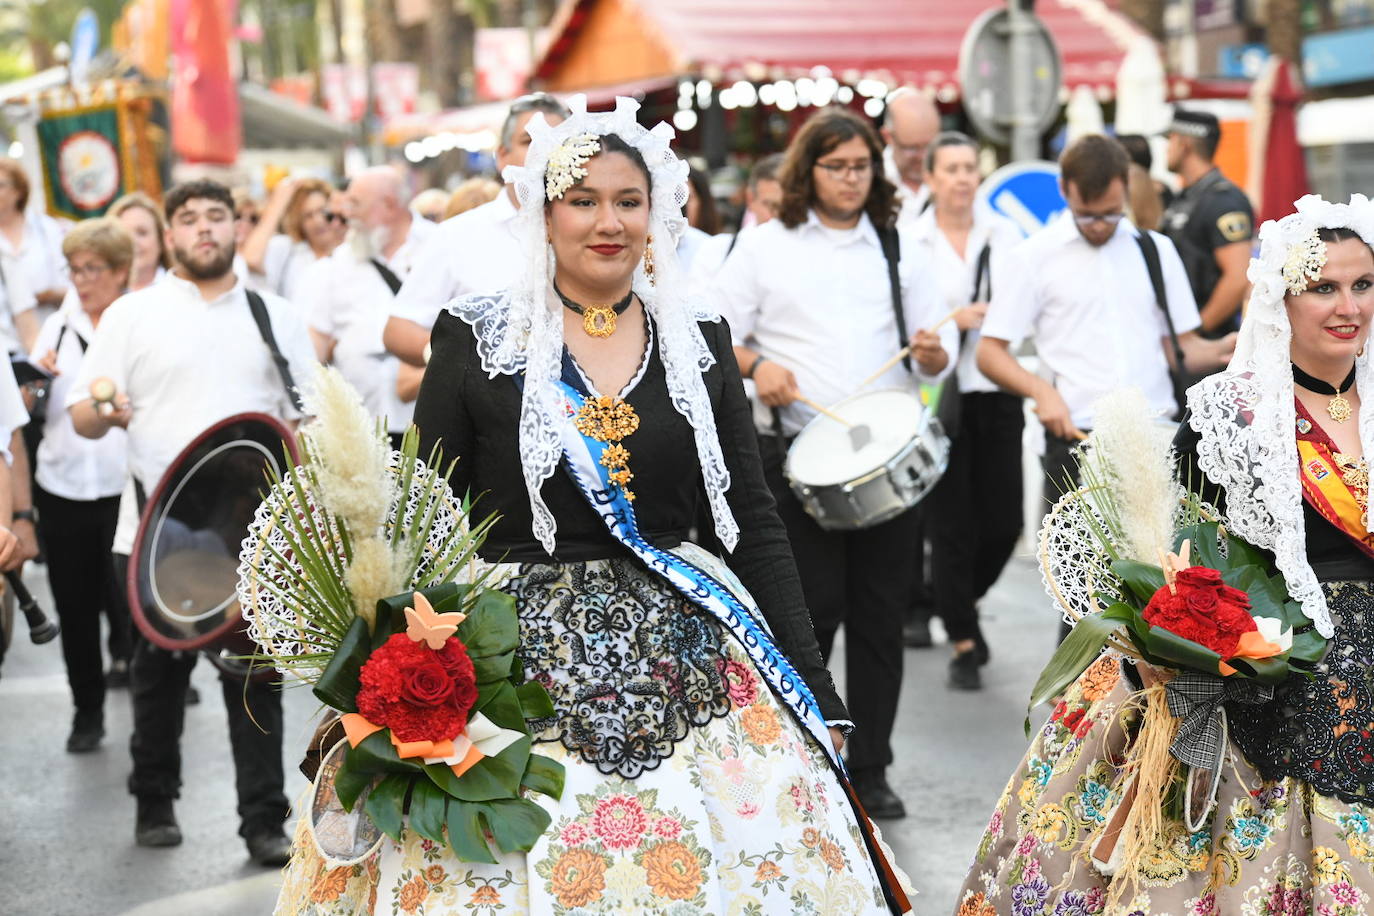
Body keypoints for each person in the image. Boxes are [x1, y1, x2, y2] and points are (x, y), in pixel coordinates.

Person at [275, 94, 913, 916]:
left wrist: (819, 694)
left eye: (628, 201)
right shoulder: (475, 340)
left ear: (657, 213)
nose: (607, 222)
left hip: (689, 644)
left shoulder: (699, 340)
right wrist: (397, 679)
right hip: (506, 660)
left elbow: (752, 522)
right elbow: (422, 522)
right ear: (542, 214)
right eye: (582, 201)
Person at [955, 193, 1374, 912]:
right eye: (1323, 287)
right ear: (1280, 297)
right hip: (1266, 679)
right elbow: (1162, 553)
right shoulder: (1228, 414)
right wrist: (1190, 647)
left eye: (1364, 284)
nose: (1349, 307)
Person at [713, 106, 956, 819]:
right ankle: (812, 755)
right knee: (810, 615)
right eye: (836, 166)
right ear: (806, 168)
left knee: (882, 619)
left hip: (882, 460)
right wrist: (758, 365)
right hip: (796, 458)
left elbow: (936, 346)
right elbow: (710, 330)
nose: (851, 179)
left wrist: (938, 355)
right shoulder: (766, 246)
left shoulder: (900, 242)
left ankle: (873, 768)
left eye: (861, 166)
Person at [67, 179, 317, 864]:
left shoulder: (275, 316)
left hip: (255, 538)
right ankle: (154, 800)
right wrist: (103, 410)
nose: (203, 228)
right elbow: (83, 417)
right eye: (188, 219)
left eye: (216, 216)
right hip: (154, 532)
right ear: (170, 235)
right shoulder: (131, 315)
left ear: (236, 227)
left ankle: (263, 821)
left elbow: (314, 417)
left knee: (254, 683)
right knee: (157, 677)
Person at [977, 135, 1233, 519]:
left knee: (1162, 574)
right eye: (1086, 214)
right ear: (1064, 190)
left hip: (1155, 436)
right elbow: (989, 352)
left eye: (1111, 213)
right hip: (1076, 440)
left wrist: (1230, 348)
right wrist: (1041, 392)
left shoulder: (1155, 249)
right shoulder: (1033, 257)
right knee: (1078, 575)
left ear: (1126, 188)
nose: (1099, 225)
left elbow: (1181, 349)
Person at [908, 132, 1025, 691]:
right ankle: (963, 637)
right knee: (949, 523)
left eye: (968, 168)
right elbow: (906, 321)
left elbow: (1027, 305)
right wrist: (954, 319)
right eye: (949, 168)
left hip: (997, 386)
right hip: (937, 394)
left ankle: (947, 599)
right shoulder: (911, 239)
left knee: (1005, 522)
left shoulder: (1005, 236)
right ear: (929, 178)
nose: (961, 177)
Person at [29, 218, 133, 751]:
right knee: (74, 604)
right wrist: (33, 383)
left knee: (127, 601)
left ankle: (143, 702)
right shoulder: (58, 328)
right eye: (75, 269)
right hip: (62, 485)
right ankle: (86, 710)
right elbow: (25, 406)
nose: (82, 279)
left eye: (93, 269)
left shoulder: (135, 323)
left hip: (124, 486)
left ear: (120, 272)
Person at [383, 93, 570, 366]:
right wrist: (461, 364)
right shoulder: (456, 235)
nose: (544, 151)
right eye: (529, 141)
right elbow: (399, 327)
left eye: (557, 142)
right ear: (502, 156)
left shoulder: (590, 230)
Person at [303, 166, 435, 446]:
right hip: (357, 427)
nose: (346, 212)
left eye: (355, 203)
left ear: (389, 205)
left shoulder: (439, 247)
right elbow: (317, 338)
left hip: (425, 422)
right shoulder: (339, 262)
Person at [1162, 108, 1256, 336]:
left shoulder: (1224, 200)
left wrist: (1195, 332)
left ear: (1184, 145)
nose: (1166, 148)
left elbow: (1237, 277)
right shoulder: (1188, 195)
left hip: (1208, 345)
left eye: (1170, 140)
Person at [242, 176, 342, 301]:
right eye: (308, 215)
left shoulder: (351, 250)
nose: (317, 221)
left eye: (322, 211)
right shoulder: (289, 251)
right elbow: (251, 259)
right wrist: (278, 203)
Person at [0, 158, 68, 316]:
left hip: (50, 323)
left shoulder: (47, 229)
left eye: (1, 185)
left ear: (18, 190)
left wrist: (47, 296)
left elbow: (69, 283)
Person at [881, 88, 941, 226]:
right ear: (888, 136)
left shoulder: (952, 175)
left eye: (929, 146)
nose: (923, 156)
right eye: (912, 148)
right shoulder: (870, 179)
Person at [110, 193, 172, 291]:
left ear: (161, 240)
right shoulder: (96, 294)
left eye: (142, 233)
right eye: (124, 234)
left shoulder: (181, 288)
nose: (133, 242)